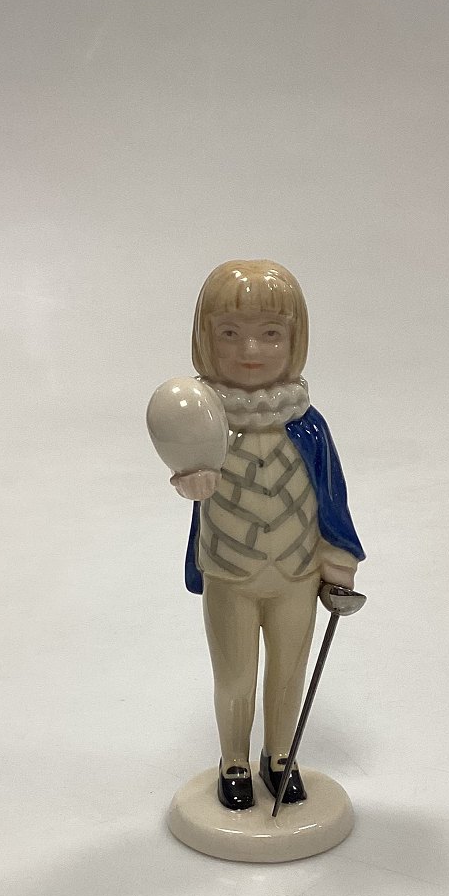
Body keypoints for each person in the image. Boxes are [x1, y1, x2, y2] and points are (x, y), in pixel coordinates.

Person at [171, 260, 364, 810]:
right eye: (230, 333)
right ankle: (233, 759)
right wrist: (189, 478)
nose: (250, 350)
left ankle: (280, 755)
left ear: (295, 340)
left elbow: (332, 494)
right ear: (205, 339)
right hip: (229, 571)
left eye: (270, 334)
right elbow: (184, 466)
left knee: (288, 672)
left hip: (296, 573)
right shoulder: (205, 423)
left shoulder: (307, 426)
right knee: (234, 676)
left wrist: (338, 556)